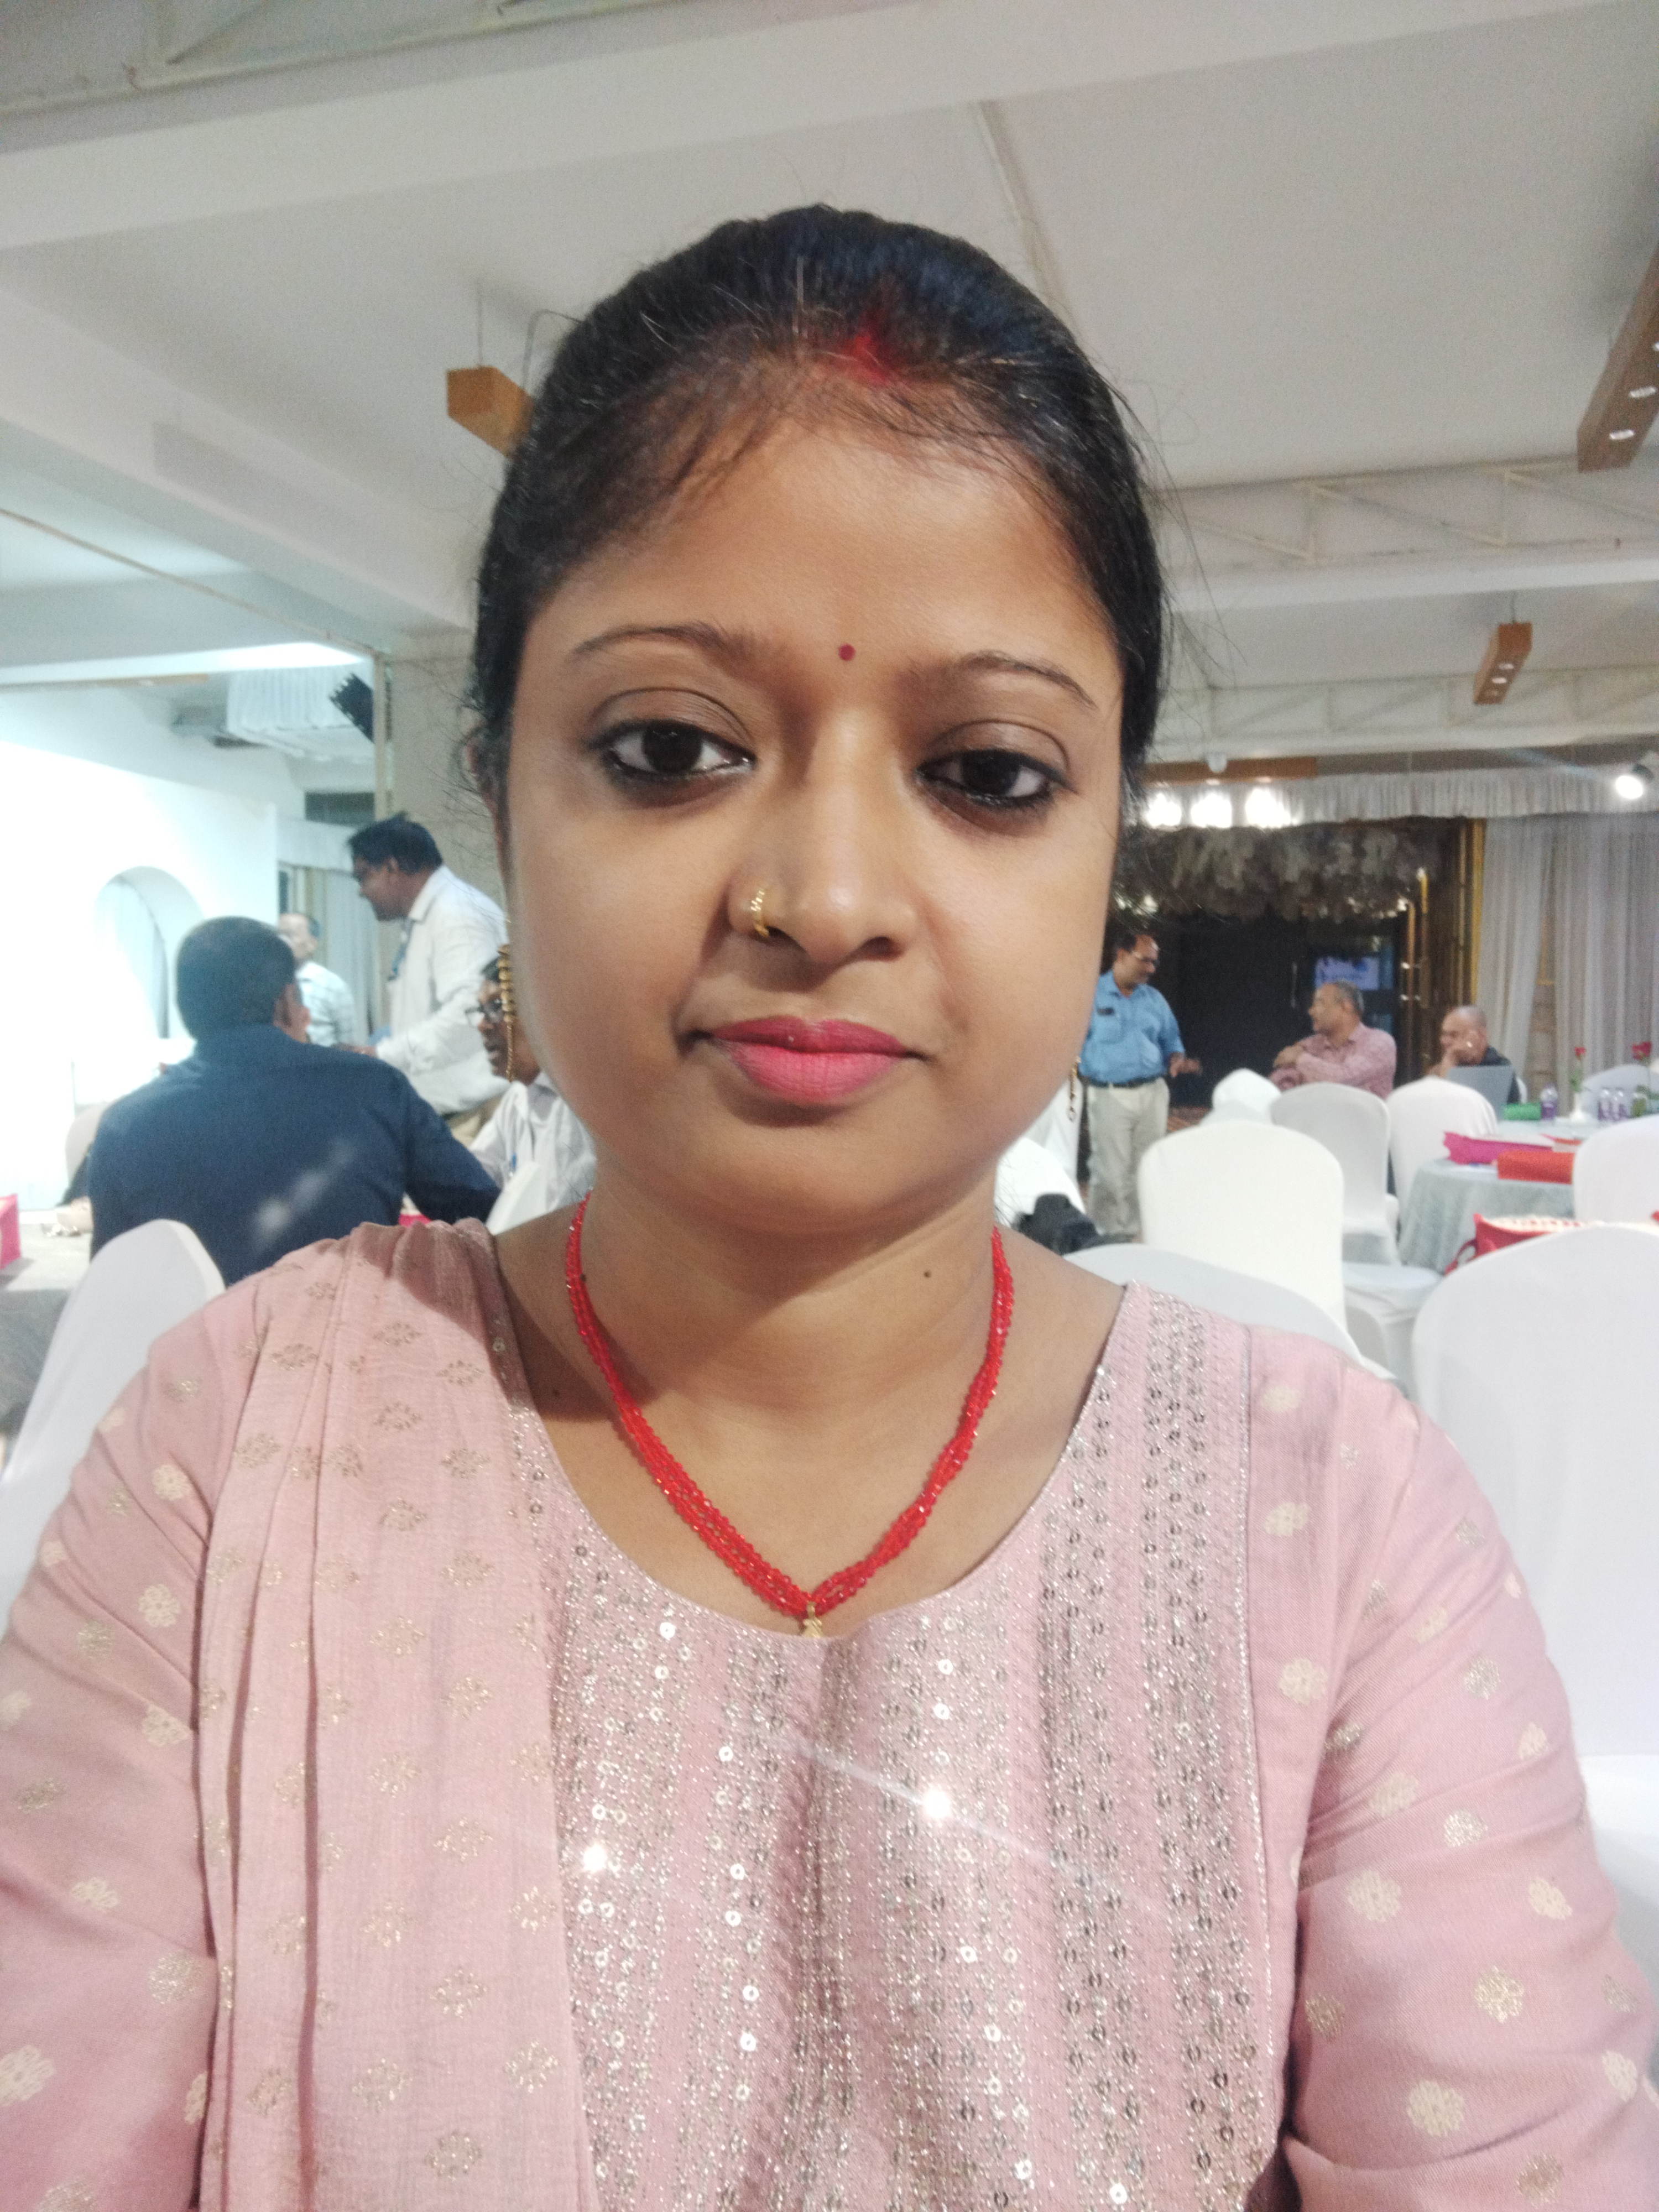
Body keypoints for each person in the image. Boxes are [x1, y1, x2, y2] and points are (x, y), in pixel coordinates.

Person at [2, 208, 1652, 2209]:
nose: (825, 895)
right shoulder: (242, 1447)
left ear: (1105, 842)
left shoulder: (1332, 1515)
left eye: (985, 770)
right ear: (504, 796)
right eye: (668, 748)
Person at [85, 916, 499, 1283]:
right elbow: (482, 1213)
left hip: (193, 1345)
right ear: (287, 1002)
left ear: (185, 1009)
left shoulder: (125, 1126)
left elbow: (112, 1286)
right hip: (351, 1341)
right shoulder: (375, 1089)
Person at [348, 812, 506, 1134]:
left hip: (473, 1116)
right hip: (449, 1116)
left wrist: (382, 1054)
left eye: (364, 877)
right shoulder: (429, 917)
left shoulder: (457, 914)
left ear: (392, 868)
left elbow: (471, 1014)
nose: (361, 892)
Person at [1077, 925, 1200, 1238]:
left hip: (1153, 1093)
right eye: (1145, 960)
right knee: (1109, 1172)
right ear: (1121, 955)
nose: (1151, 969)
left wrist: (1176, 1057)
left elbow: (1172, 1039)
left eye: (1154, 962)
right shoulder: (1090, 994)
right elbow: (1071, 1043)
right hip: (1110, 1095)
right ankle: (1103, 1236)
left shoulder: (1154, 999)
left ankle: (1132, 1235)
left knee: (1143, 1170)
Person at [469, 954, 596, 1217]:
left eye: (496, 1007)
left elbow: (561, 1220)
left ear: (539, 1011)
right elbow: (473, 1178)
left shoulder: (580, 1104)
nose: (482, 1025)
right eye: (481, 1011)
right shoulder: (518, 1096)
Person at [1271, 977, 1397, 1097]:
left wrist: (1300, 1059)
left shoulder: (1380, 1042)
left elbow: (1344, 1080)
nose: (1311, 1011)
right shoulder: (1310, 1044)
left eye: (1319, 1003)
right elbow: (1278, 1084)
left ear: (1346, 1007)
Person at [274, 910, 361, 1047]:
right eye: (278, 935)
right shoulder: (266, 980)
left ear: (312, 944)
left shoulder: (332, 985)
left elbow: (347, 1043)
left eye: (289, 935)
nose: (281, 941)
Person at [1430, 1001, 1521, 1103]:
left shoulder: (1499, 1069)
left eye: (1454, 1035)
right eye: (1444, 1034)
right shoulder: (1439, 1070)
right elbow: (1437, 1106)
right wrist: (1450, 1061)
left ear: (1481, 1035)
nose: (1445, 1041)